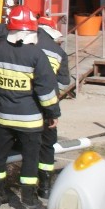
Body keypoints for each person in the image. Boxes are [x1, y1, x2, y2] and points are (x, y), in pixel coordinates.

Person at [0, 1, 61, 209]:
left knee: (0, 154)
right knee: (30, 160)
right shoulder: (36, 55)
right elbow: (46, 89)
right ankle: (28, 201)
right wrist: (52, 113)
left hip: (4, 116)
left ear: (10, 27)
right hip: (30, 120)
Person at [35, 16, 70, 199]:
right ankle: (45, 187)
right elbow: (64, 84)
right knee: (47, 146)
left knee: (29, 144)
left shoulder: (25, 46)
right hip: (48, 108)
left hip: (26, 105)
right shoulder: (58, 52)